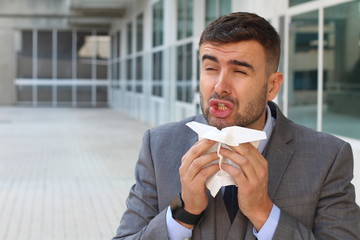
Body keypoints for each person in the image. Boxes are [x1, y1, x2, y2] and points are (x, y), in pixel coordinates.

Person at [113, 12, 360, 239]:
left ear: (272, 86)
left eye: (239, 71)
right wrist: (183, 212)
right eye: (211, 68)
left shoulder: (328, 157)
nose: (220, 86)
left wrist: (265, 214)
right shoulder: (158, 146)